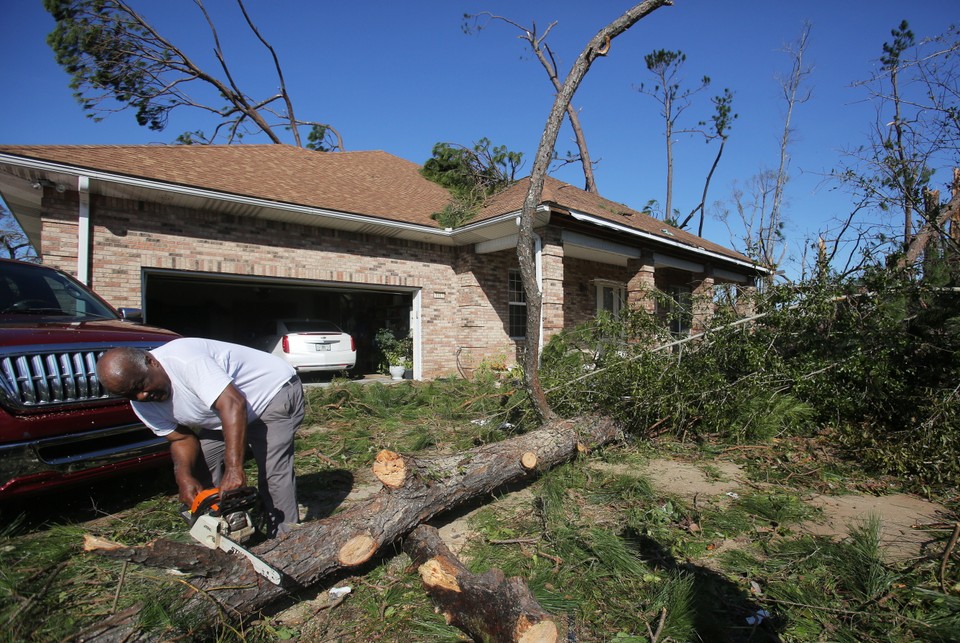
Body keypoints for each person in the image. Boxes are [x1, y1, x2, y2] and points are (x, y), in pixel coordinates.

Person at [96, 338, 304, 537]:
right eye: (132, 394)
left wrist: (234, 468)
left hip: (271, 392)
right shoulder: (141, 404)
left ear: (152, 362)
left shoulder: (185, 359)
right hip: (223, 413)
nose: (141, 396)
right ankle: (225, 524)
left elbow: (233, 403)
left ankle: (286, 539)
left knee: (272, 471)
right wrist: (184, 476)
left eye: (141, 385)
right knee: (202, 463)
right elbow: (180, 439)